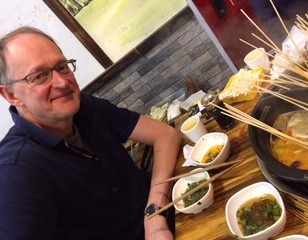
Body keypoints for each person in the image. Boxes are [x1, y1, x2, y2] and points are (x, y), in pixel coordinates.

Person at [0, 26, 182, 240]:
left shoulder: (83, 106)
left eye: (62, 67)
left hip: (172, 212)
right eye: (39, 76)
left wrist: (154, 214)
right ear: (11, 95)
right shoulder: (16, 171)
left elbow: (166, 135)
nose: (61, 82)